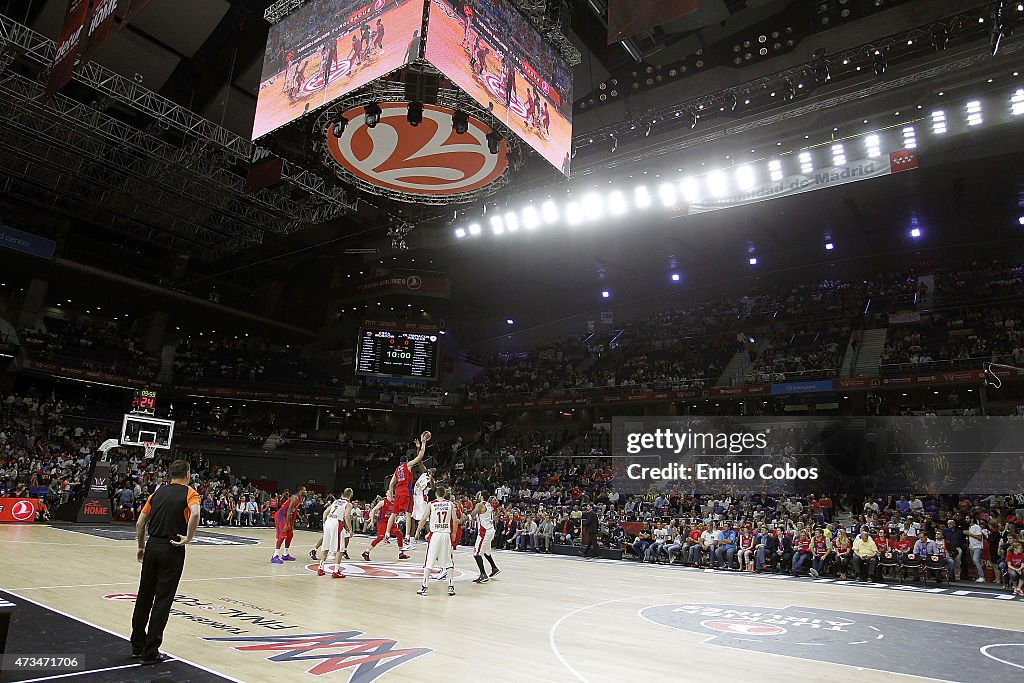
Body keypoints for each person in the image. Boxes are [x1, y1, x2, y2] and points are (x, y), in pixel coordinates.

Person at [131, 459, 200, 665]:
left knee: (144, 596)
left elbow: (140, 523)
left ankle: (137, 645)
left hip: (152, 547)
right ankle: (151, 651)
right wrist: (189, 536)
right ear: (187, 474)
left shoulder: (156, 493)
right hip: (172, 548)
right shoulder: (190, 492)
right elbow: (195, 513)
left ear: (170, 475)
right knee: (162, 600)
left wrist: (141, 546)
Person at [385, 432, 429, 550]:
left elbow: (391, 484)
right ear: (406, 461)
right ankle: (407, 537)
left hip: (398, 492)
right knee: (408, 515)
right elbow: (420, 457)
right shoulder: (408, 465)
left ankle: (387, 534)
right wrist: (423, 444)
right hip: (406, 492)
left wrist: (391, 496)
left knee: (393, 514)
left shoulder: (396, 469)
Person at [418, 486, 459, 596]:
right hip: (446, 534)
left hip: (436, 534)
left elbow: (423, 519)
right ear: (444, 493)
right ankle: (451, 587)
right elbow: (455, 521)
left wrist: (417, 531)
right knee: (448, 561)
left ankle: (424, 587)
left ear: (436, 494)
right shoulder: (450, 504)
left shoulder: (431, 504)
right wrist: (454, 533)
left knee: (429, 560)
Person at [362, 493, 408, 561]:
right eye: (389, 491)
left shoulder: (395, 502)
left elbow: (396, 513)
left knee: (399, 534)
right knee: (380, 537)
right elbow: (373, 510)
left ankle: (401, 553)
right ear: (386, 494)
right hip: (383, 522)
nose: (391, 493)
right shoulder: (383, 502)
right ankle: (366, 552)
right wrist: (371, 521)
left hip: (391, 522)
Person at [317, 490, 352, 578]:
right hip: (336, 523)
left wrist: (325, 524)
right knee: (340, 548)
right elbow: (347, 517)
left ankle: (320, 568)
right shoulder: (348, 504)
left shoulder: (335, 501)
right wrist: (350, 529)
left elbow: (325, 512)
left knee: (325, 546)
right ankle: (336, 571)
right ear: (350, 495)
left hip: (329, 521)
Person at [271, 487, 305, 563]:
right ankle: (274, 556)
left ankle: (285, 554)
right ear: (300, 491)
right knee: (282, 535)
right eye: (304, 490)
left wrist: (292, 524)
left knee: (290, 534)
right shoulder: (294, 498)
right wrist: (286, 524)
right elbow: (289, 511)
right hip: (280, 515)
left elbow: (294, 512)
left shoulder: (300, 499)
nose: (306, 491)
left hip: (286, 517)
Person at [411, 466, 434, 545]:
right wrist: (419, 454)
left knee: (426, 520)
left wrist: (431, 478)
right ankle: (411, 538)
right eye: (429, 470)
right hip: (416, 498)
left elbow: (433, 488)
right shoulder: (423, 475)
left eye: (430, 471)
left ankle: (430, 537)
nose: (428, 471)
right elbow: (420, 463)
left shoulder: (430, 481)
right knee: (412, 518)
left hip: (422, 500)